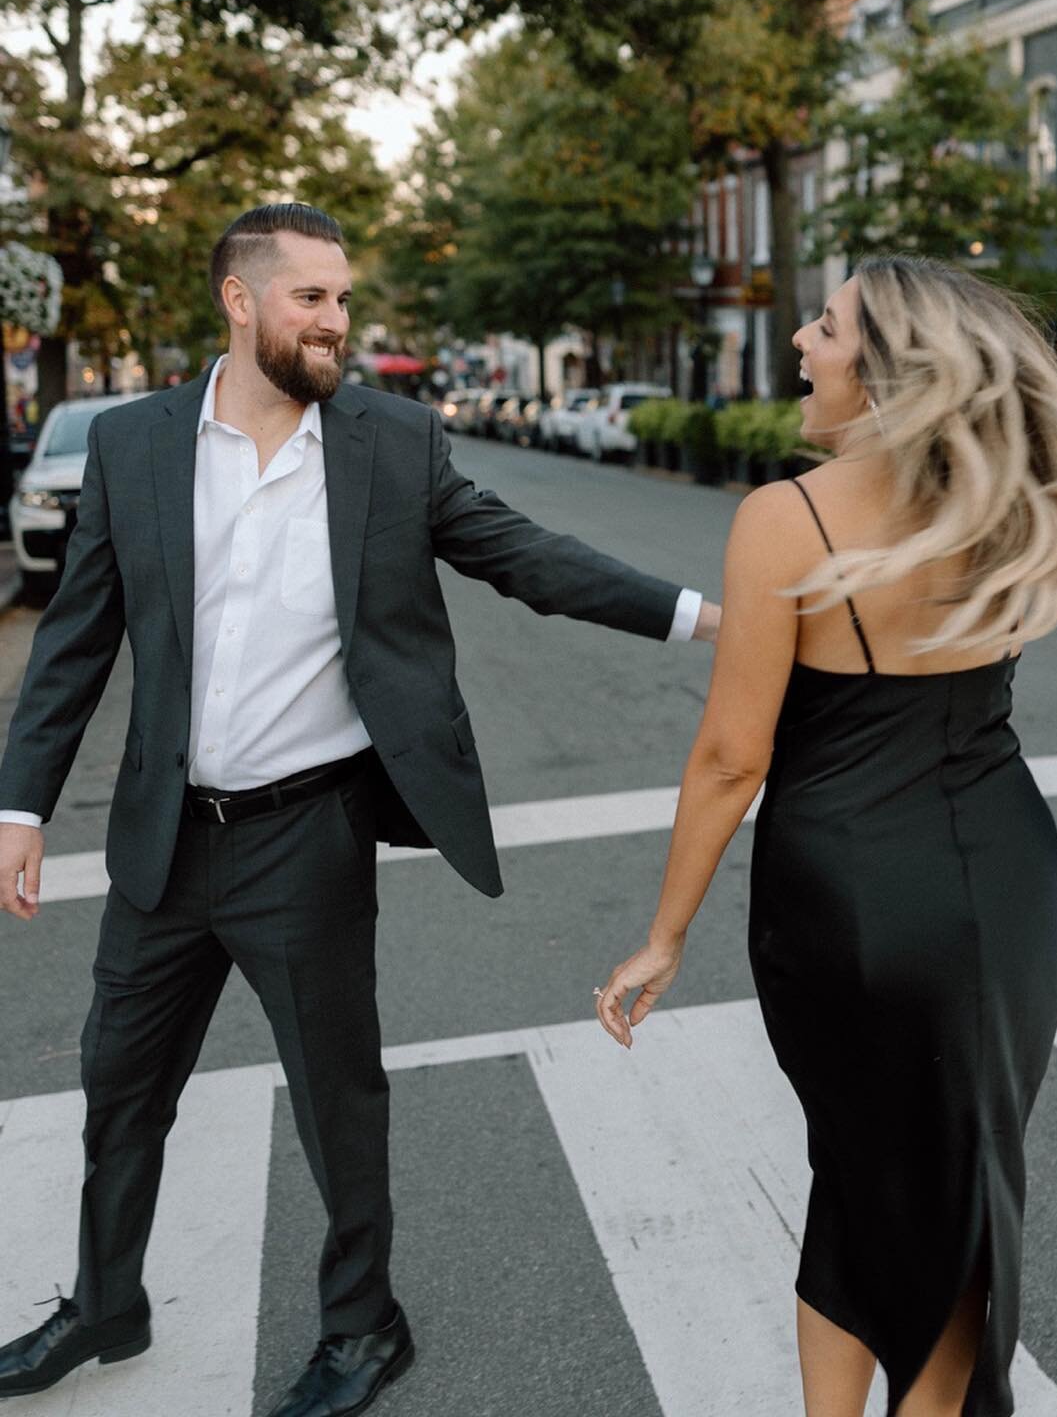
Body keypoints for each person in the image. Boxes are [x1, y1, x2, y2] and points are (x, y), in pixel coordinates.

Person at [0, 203, 719, 1416]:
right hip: (165, 840)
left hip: (306, 835)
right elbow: (74, 640)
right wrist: (19, 806)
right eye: (312, 299)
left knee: (339, 1102)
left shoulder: (391, 442)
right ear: (240, 301)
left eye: (344, 299)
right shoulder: (135, 447)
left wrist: (711, 617)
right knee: (119, 1085)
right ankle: (103, 1303)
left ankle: (364, 1325)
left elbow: (525, 556)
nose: (338, 320)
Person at [596, 256, 1057, 1417]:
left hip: (850, 900)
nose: (804, 345)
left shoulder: (788, 520)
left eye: (825, 326)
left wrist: (664, 936)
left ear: (883, 375)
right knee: (948, 1186)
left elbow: (733, 758)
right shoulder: (1003, 497)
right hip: (1008, 887)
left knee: (862, 1170)